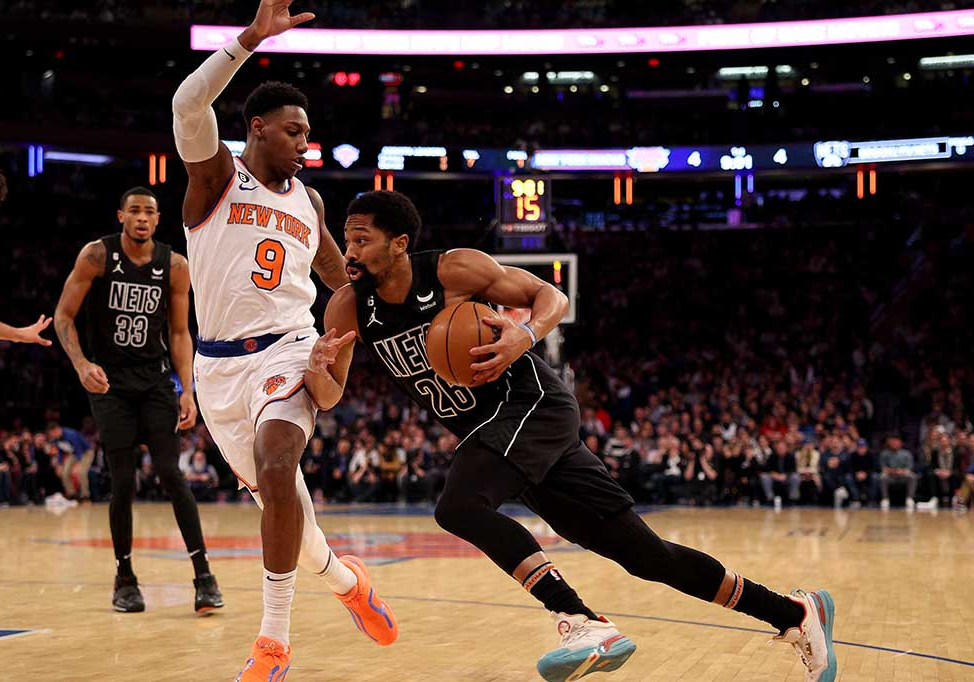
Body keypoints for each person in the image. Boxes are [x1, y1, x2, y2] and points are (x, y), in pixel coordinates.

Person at [305, 190, 837, 682]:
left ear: (399, 244)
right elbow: (330, 395)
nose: (349, 251)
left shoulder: (452, 269)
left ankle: (579, 618)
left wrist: (523, 335)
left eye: (361, 239)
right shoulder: (348, 308)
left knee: (457, 507)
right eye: (346, 238)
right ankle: (792, 612)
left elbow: (549, 295)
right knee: (646, 556)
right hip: (499, 437)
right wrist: (317, 371)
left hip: (531, 404)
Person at [170, 1, 397, 676]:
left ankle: (273, 640)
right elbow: (187, 102)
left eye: (309, 133)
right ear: (257, 129)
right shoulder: (215, 179)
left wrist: (384, 310)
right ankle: (347, 584)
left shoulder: (311, 201)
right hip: (217, 374)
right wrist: (251, 38)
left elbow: (338, 274)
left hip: (289, 347)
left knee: (277, 464)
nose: (305, 142)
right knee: (292, 519)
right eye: (294, 131)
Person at [53, 185, 223, 614]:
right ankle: (124, 577)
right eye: (134, 211)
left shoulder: (175, 265)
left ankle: (204, 575)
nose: (142, 218)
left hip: (154, 382)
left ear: (158, 219)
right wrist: (80, 364)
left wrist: (188, 390)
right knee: (123, 480)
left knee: (171, 473)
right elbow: (63, 316)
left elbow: (181, 333)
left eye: (149, 211)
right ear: (121, 216)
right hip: (110, 384)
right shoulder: (97, 256)